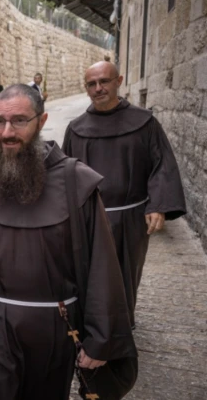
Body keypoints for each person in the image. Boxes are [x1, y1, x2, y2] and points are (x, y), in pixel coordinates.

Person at [0, 84, 136, 400]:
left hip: (53, 327)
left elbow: (103, 266)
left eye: (19, 120)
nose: (7, 132)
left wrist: (102, 338)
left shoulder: (76, 183)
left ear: (42, 120)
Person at [63, 61, 186, 327]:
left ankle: (121, 325)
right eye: (92, 84)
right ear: (86, 89)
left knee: (126, 273)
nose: (98, 88)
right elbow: (64, 173)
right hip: (89, 217)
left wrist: (158, 204)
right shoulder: (76, 129)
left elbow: (162, 164)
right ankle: (90, 325)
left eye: (104, 81)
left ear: (118, 82)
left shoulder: (145, 122)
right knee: (88, 272)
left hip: (130, 216)